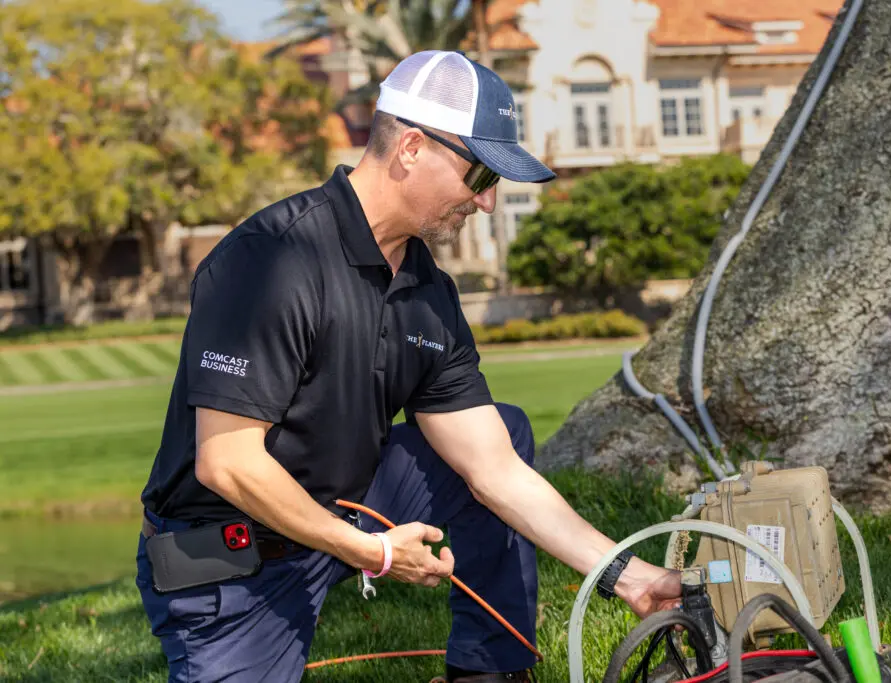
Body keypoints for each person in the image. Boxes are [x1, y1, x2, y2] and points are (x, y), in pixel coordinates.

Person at [136, 50, 683, 683]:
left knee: (503, 431)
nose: (487, 204)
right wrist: (372, 552)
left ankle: (489, 670)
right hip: (233, 556)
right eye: (479, 176)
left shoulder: (429, 289)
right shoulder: (270, 259)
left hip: (345, 506)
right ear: (413, 148)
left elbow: (494, 469)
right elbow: (227, 463)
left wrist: (627, 575)